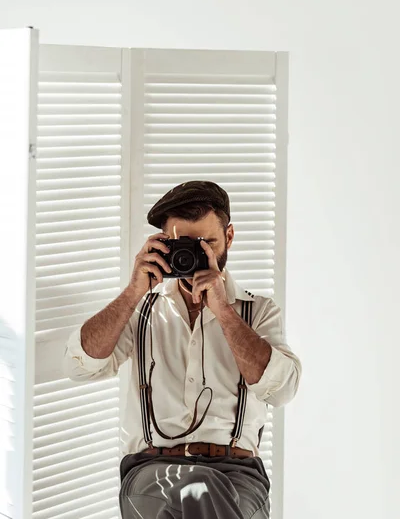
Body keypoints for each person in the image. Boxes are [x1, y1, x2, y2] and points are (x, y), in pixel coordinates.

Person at [64, 180, 302, 518]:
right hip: (151, 470)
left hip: (239, 474)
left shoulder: (257, 311)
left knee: (202, 493)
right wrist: (133, 291)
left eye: (206, 243)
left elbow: (283, 389)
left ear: (229, 237)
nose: (193, 253)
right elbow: (80, 365)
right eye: (182, 244)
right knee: (198, 487)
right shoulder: (140, 311)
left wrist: (223, 311)